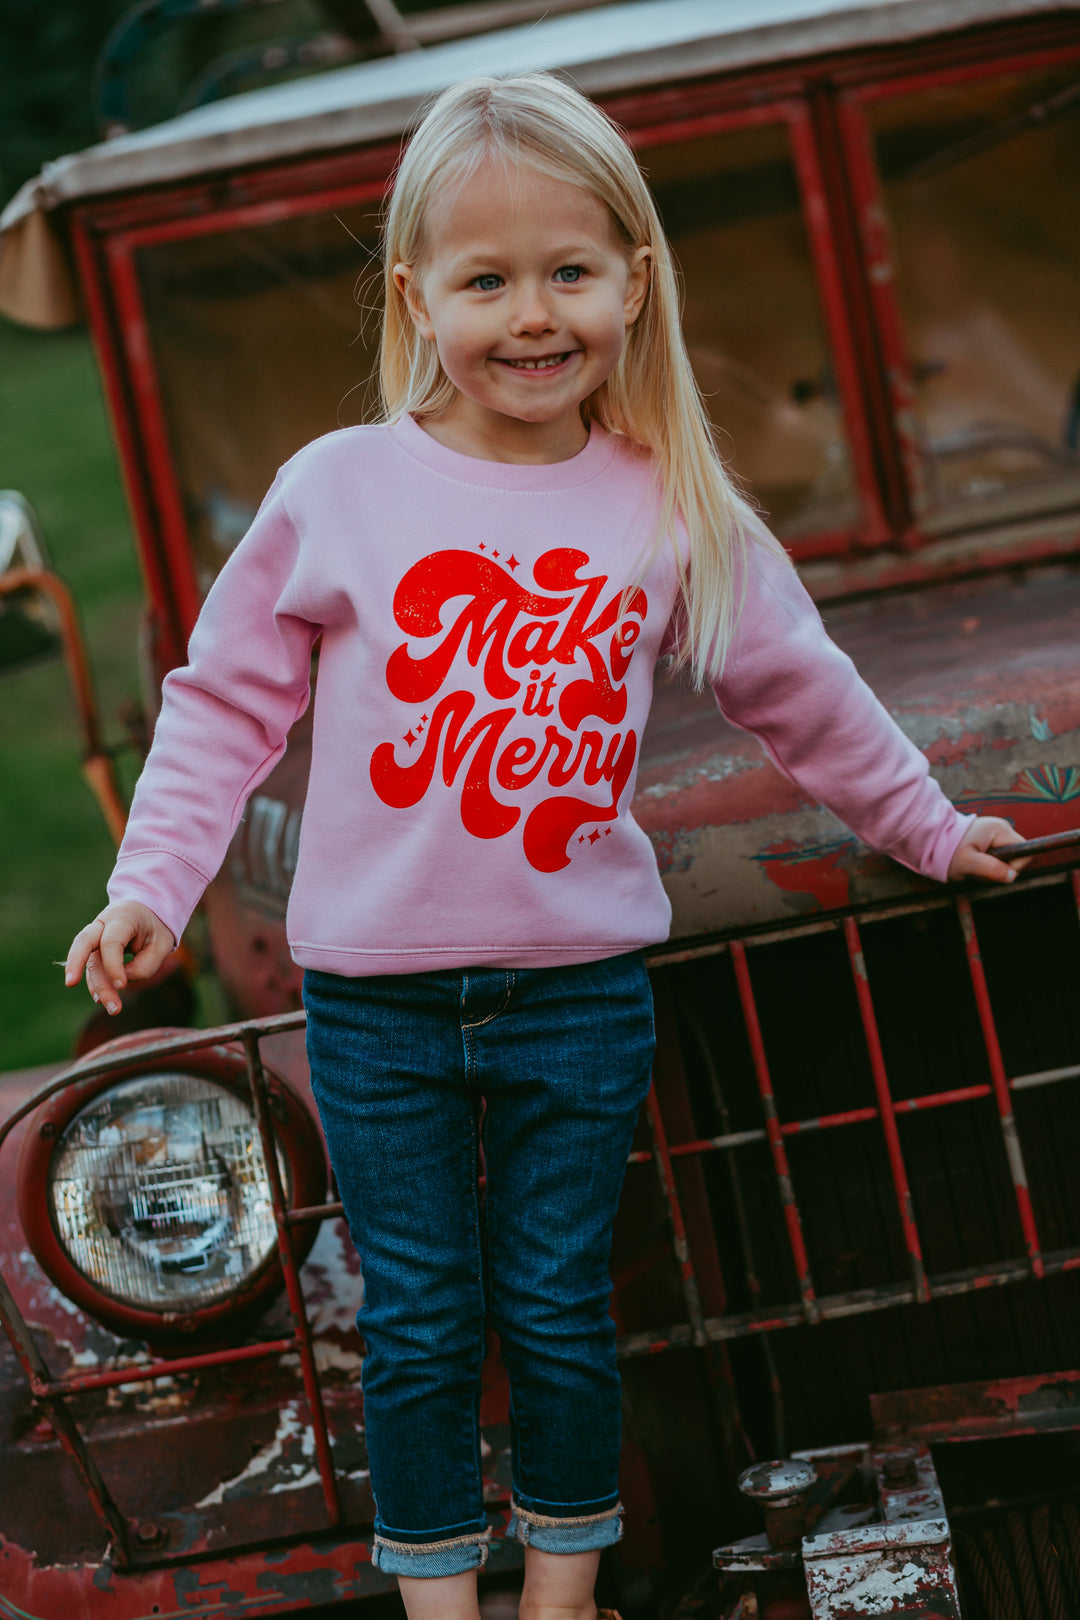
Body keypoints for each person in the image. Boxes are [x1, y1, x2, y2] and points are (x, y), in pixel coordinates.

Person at [64, 72, 1024, 1620]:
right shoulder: (343, 492)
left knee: (565, 1311)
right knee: (426, 1319)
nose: (533, 315)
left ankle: (565, 1598)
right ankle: (446, 1603)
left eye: (570, 272)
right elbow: (222, 702)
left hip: (577, 988)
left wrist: (921, 821)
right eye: (486, 280)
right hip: (377, 1001)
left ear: (635, 281)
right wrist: (147, 888)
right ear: (414, 297)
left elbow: (801, 689)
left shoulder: (668, 503)